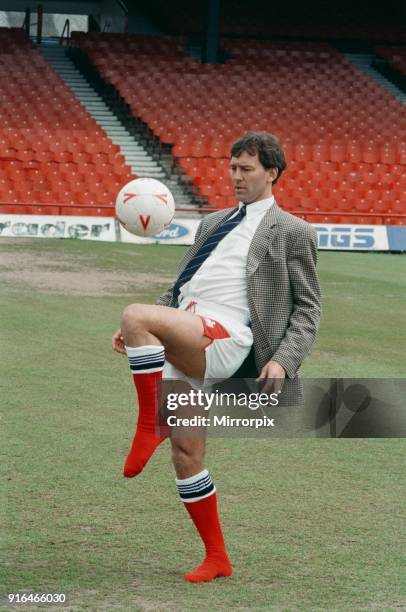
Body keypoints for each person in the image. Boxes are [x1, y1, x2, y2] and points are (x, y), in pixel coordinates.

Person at [112, 131, 321, 583]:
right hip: (188, 330)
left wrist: (283, 360)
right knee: (186, 453)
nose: (237, 177)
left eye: (247, 169)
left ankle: (150, 424)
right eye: (233, 168)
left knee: (134, 312)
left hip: (227, 338)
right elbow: (183, 284)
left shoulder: (293, 232)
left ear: (272, 173)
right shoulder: (213, 223)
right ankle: (217, 558)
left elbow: (308, 308)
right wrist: (147, 324)